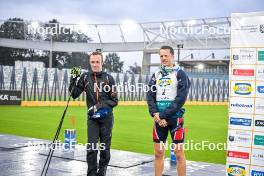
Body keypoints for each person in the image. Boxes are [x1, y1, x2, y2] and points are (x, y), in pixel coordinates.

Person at [69, 51, 118, 176]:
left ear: (102, 62)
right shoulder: (85, 77)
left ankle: (102, 173)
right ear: (90, 62)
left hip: (106, 119)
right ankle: (91, 174)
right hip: (92, 119)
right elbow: (74, 94)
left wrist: (99, 106)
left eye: (97, 62)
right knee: (91, 148)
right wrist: (73, 78)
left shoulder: (109, 78)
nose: (95, 64)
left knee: (104, 150)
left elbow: (114, 100)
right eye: (92, 62)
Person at [147, 45, 190, 176]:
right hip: (158, 119)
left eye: (166, 55)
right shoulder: (156, 74)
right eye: (161, 56)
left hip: (175, 119)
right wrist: (155, 114)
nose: (164, 58)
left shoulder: (180, 73)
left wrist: (162, 115)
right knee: (158, 152)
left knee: (178, 153)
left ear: (172, 56)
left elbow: (181, 99)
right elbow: (150, 95)